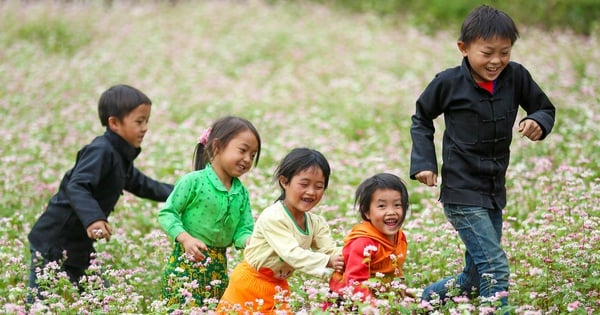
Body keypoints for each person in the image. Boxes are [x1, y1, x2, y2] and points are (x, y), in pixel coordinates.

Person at [409, 5, 556, 309]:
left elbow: (544, 107)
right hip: (461, 192)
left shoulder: (516, 76)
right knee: (495, 268)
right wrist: (424, 162)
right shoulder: (448, 82)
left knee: (475, 275)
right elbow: (421, 117)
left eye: (505, 52)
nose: (496, 61)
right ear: (463, 48)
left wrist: (538, 122)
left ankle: (425, 301)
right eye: (487, 52)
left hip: (492, 190)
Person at [27, 84, 174, 300]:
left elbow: (143, 185)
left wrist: (183, 191)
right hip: (54, 241)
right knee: (41, 303)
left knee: (103, 299)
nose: (145, 128)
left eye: (146, 121)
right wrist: (94, 219)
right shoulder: (101, 150)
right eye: (139, 121)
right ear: (114, 123)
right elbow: (76, 185)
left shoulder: (120, 155)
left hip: (79, 245)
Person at [217, 147, 344, 314]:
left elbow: (330, 250)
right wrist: (328, 261)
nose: (311, 192)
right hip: (250, 283)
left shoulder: (316, 222)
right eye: (304, 184)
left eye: (319, 186)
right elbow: (291, 253)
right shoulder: (274, 216)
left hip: (278, 286)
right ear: (284, 182)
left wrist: (355, 254)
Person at [158, 115, 261, 307]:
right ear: (217, 147)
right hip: (184, 264)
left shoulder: (242, 193)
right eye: (243, 150)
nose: (247, 159)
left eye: (253, 155)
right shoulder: (193, 181)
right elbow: (167, 213)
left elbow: (243, 229)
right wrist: (186, 238)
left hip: (218, 268)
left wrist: (248, 241)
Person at [329, 173, 409, 302]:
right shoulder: (363, 242)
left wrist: (401, 291)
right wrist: (373, 307)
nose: (391, 212)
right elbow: (355, 282)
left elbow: (395, 269)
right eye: (382, 206)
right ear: (366, 212)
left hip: (381, 295)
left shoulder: (400, 237)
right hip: (348, 299)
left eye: (397, 205)